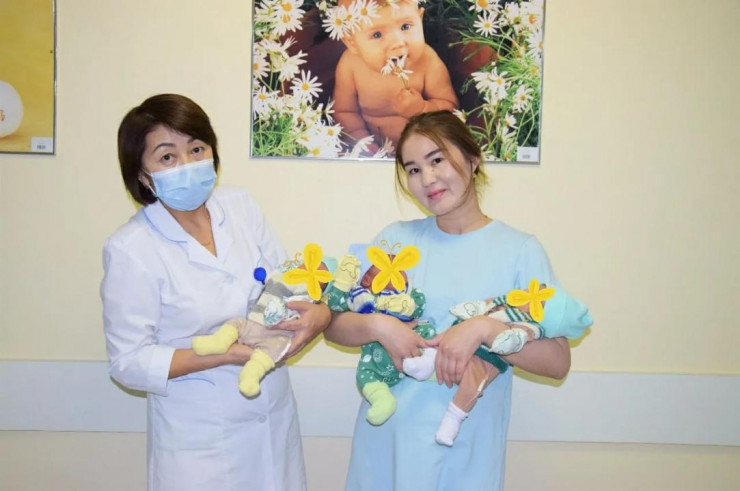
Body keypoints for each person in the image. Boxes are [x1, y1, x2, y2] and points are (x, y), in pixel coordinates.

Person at [324, 110, 574, 490]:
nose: (427, 179)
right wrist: (379, 326)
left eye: (437, 160)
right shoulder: (396, 241)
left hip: (464, 456)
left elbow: (557, 361)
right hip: (385, 449)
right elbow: (334, 325)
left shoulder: (519, 251)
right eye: (413, 169)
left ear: (473, 159)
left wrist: (484, 330)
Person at [101, 94, 331, 491]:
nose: (187, 164)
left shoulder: (240, 207)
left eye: (196, 149)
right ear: (143, 175)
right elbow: (128, 362)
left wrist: (319, 314)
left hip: (272, 423)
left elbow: (284, 283)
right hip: (199, 443)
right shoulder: (131, 249)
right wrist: (221, 355)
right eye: (167, 156)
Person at [332, 0, 458, 154]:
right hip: (375, 154)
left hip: (425, 152)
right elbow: (344, 111)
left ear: (420, 19)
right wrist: (360, 140)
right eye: (377, 35)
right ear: (352, 42)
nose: (397, 43)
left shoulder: (428, 61)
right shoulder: (350, 65)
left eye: (405, 27)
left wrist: (422, 109)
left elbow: (451, 108)